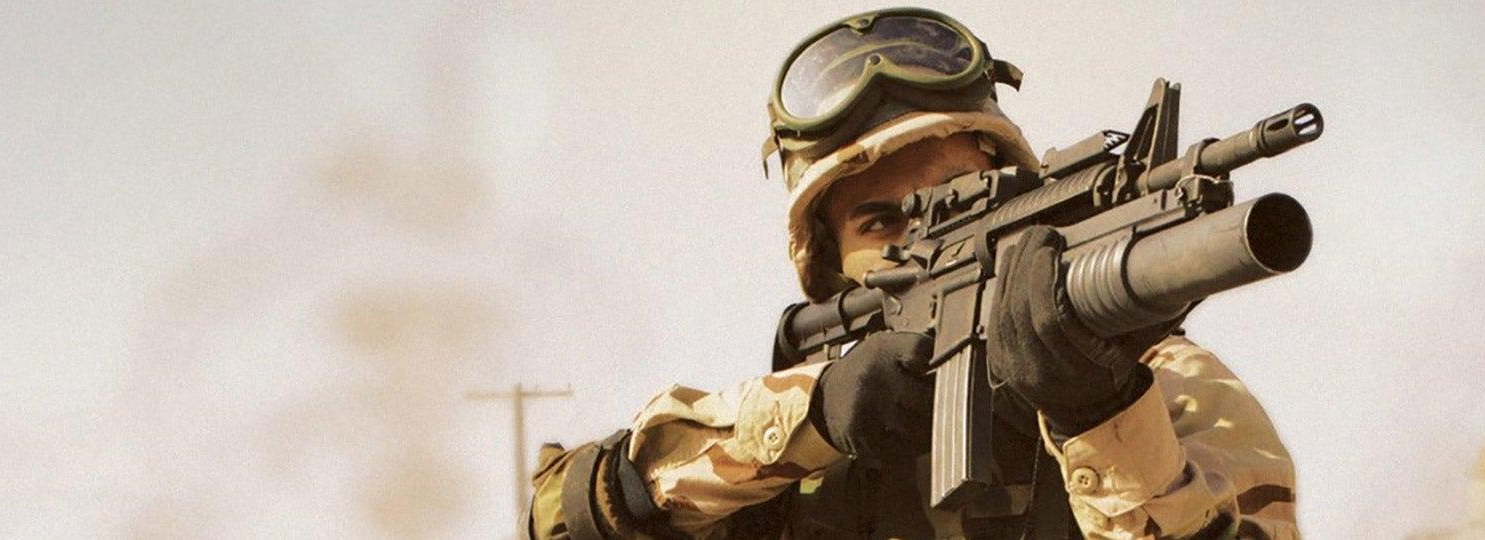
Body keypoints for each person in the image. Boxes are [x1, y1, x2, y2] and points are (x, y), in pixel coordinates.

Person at [526, 8, 1297, 539]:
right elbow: (560, 516)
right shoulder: (783, 461)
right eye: (879, 221)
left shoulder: (1163, 384)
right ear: (829, 263)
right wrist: (812, 415)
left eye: (958, 198)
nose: (920, 232)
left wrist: (1100, 418)